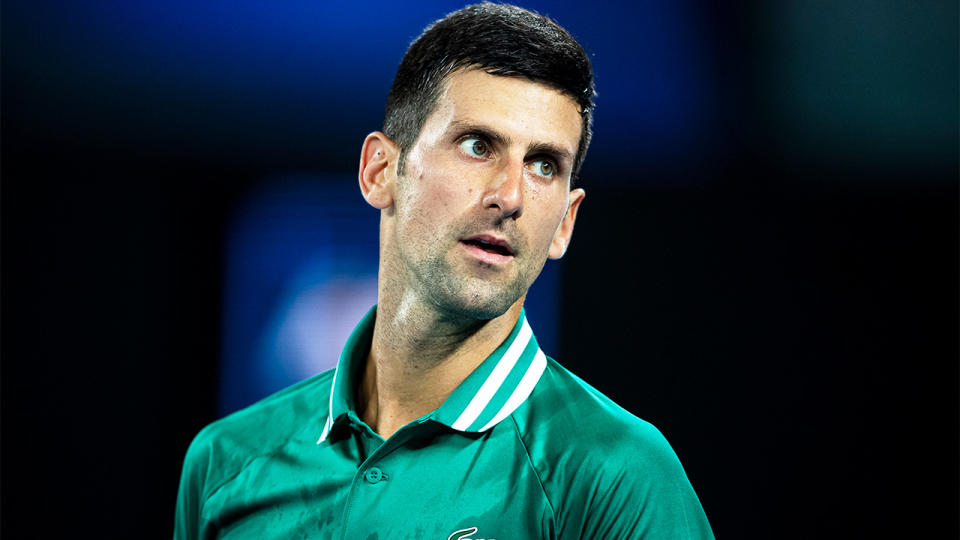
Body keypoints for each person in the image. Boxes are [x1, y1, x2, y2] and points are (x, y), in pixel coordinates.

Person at [175, 3, 714, 538]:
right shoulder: (224, 463)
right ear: (380, 171)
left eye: (544, 165)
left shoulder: (621, 478)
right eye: (479, 146)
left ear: (566, 223)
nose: (510, 196)